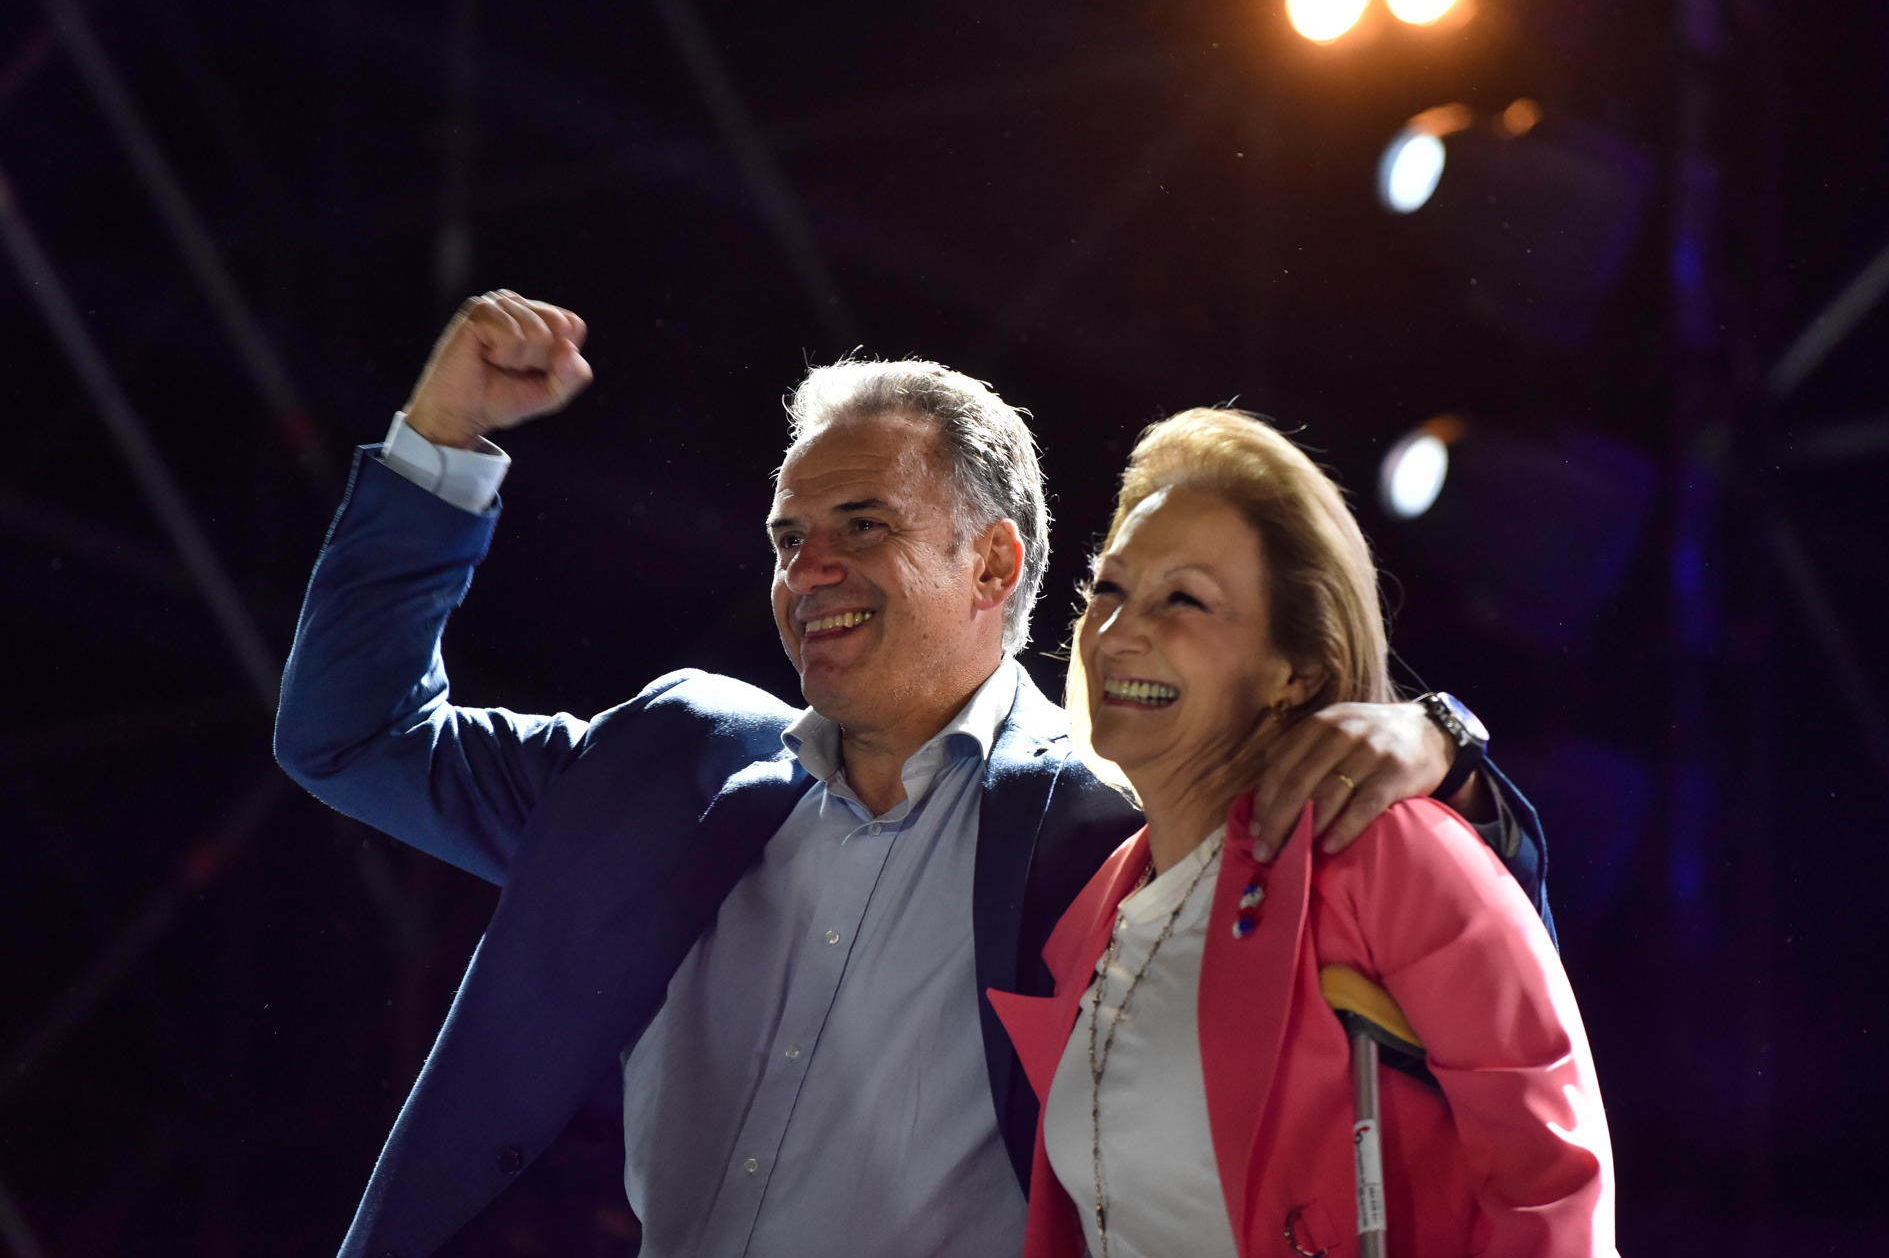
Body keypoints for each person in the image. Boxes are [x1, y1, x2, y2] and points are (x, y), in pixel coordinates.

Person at [273, 292, 1554, 1256]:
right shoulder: (670, 764)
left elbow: (1462, 990)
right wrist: (441, 440)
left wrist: (1441, 740)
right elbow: (346, 732)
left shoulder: (1115, 826)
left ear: (996, 564)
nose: (806, 569)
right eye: (789, 538)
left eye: (861, 526)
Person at [988, 408, 1613, 1258]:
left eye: (1184, 599)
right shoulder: (1093, 912)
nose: (1120, 630)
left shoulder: (1391, 851)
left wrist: (1446, 729)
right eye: (1111, 587)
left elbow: (1554, 1197)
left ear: (1296, 672)